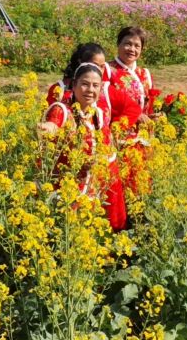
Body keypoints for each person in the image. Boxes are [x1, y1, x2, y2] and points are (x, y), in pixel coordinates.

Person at [39, 51, 124, 230]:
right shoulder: (62, 110)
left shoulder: (98, 114)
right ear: (74, 85)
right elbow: (54, 123)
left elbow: (105, 149)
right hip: (63, 188)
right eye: (85, 84)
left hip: (90, 188)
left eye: (95, 86)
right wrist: (49, 128)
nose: (90, 90)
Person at [106, 25, 159, 199]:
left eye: (137, 46)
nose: (132, 49)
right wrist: (134, 116)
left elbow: (148, 106)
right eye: (127, 44)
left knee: (141, 184)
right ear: (118, 45)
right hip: (119, 138)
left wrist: (154, 116)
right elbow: (105, 104)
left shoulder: (144, 73)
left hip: (142, 138)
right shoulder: (108, 71)